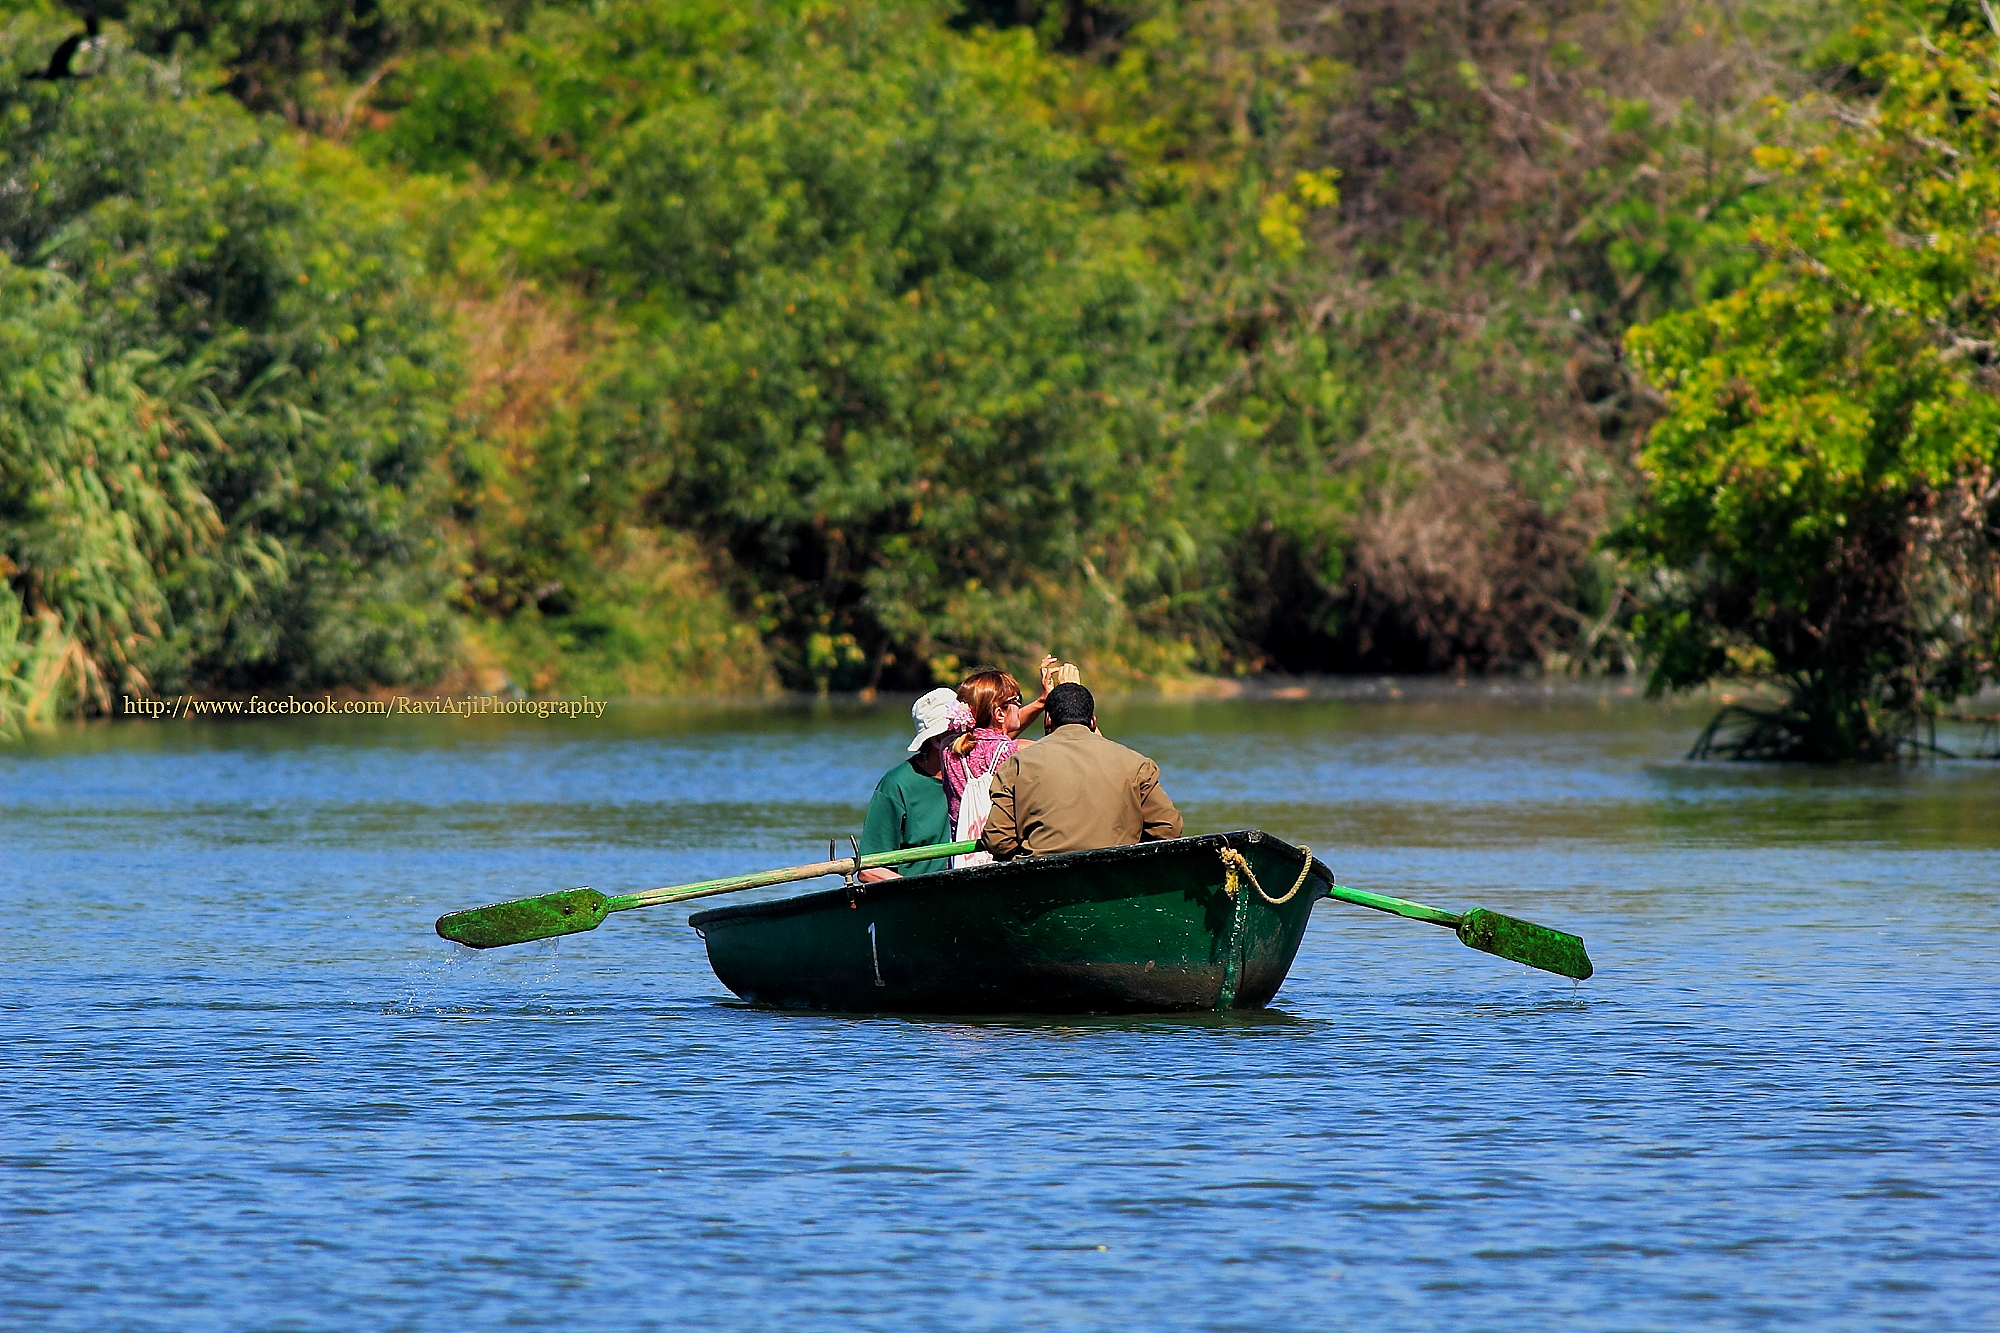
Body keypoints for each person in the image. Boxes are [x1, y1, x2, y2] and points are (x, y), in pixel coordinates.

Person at [979, 683, 1182, 860]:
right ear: (1093, 721)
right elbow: (1168, 829)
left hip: (1043, 882)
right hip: (1118, 876)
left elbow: (998, 840)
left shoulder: (1017, 765)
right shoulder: (1137, 763)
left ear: (1047, 719)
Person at [856, 688, 957, 882]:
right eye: (964, 730)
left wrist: (1036, 704)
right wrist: (922, 893)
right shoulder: (897, 785)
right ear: (937, 740)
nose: (975, 736)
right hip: (918, 899)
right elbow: (869, 869)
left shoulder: (979, 772)